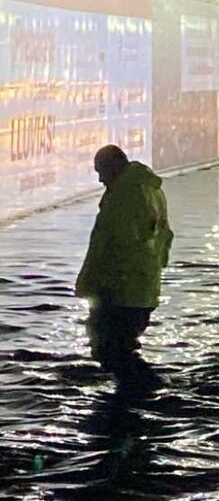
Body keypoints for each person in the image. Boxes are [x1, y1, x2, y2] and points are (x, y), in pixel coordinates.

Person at [76, 145, 173, 386]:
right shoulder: (149, 189)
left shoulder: (126, 196)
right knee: (117, 350)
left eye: (101, 172)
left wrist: (101, 288)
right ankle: (146, 390)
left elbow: (118, 247)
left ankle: (150, 390)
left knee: (109, 351)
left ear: (113, 167)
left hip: (121, 291)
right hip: (142, 288)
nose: (100, 180)